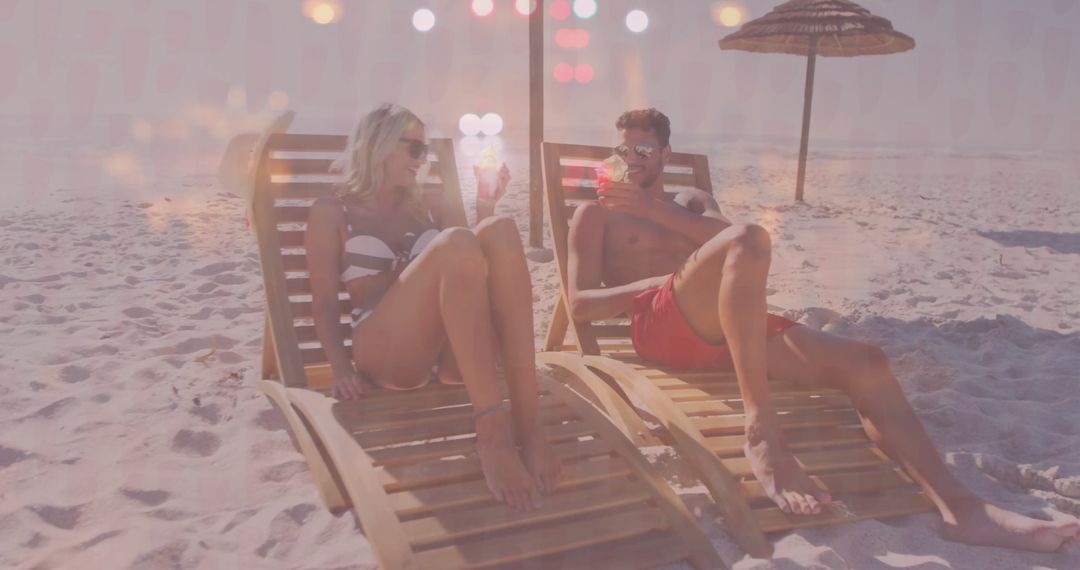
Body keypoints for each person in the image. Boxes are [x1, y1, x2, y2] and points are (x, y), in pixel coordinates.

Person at [565, 107, 1079, 551]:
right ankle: (762, 431)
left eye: (644, 148)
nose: (632, 158)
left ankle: (962, 510)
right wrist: (657, 280)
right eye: (624, 149)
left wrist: (656, 209)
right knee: (748, 237)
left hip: (731, 330)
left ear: (665, 152)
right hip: (660, 326)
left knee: (867, 363)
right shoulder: (595, 215)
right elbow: (579, 307)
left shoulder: (692, 202)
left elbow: (739, 246)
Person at [305, 103, 559, 511]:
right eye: (415, 150)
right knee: (455, 242)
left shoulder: (431, 203)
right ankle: (491, 430)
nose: (422, 161)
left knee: (500, 230)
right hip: (385, 351)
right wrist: (339, 368)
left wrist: (486, 203)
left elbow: (472, 260)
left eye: (425, 151)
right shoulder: (332, 212)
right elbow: (321, 302)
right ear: (380, 146)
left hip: (449, 351)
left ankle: (529, 426)